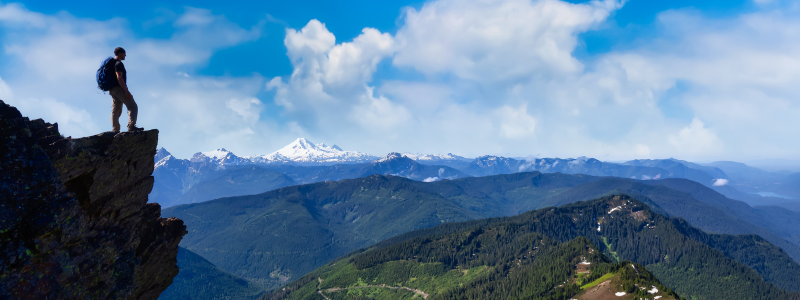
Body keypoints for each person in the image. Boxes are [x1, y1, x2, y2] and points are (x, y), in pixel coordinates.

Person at [108, 47, 142, 133]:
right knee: (132, 106)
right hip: (119, 88)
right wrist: (126, 90)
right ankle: (131, 126)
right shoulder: (118, 64)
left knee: (115, 110)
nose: (125, 55)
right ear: (119, 53)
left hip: (112, 89)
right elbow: (119, 77)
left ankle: (115, 130)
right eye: (124, 53)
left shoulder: (111, 64)